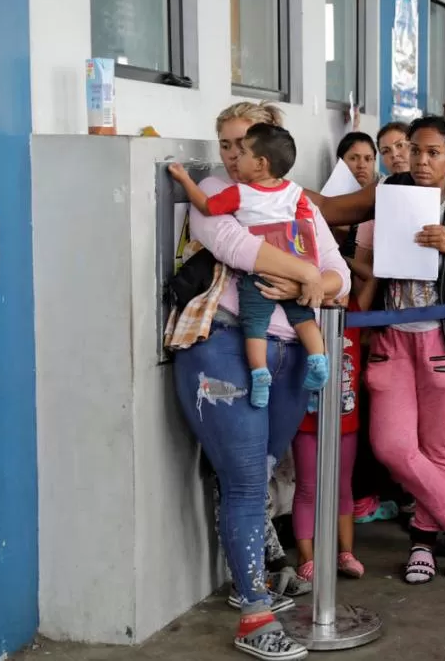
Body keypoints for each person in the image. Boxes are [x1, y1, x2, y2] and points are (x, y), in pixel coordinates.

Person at [172, 101, 351, 661]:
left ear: (268, 145)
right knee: (248, 480)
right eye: (223, 142)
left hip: (293, 352)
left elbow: (340, 273)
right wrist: (309, 281)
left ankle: (251, 581)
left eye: (241, 142)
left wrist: (313, 285)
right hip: (224, 345)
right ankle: (253, 612)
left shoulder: (296, 198)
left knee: (262, 471)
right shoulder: (215, 193)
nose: (230, 154)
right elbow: (241, 250)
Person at [310, 117, 445, 583]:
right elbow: (331, 210)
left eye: (433, 152)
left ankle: (422, 541)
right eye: (415, 150)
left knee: (436, 448)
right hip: (392, 338)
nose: (420, 161)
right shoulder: (390, 190)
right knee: (392, 445)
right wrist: (272, 189)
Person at [169, 124, 329, 409]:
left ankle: (259, 375)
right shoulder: (295, 192)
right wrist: (305, 270)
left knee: (254, 325)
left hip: (259, 276)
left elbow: (207, 206)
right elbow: (307, 227)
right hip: (296, 270)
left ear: (260, 163)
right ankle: (318, 359)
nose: (234, 158)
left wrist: (184, 179)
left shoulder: (241, 194)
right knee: (305, 319)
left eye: (242, 151)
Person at [292, 292, 365, 582]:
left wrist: (348, 261)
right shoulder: (301, 312)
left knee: (343, 488)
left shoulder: (356, 309)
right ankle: (305, 558)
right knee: (308, 489)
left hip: (346, 421)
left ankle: (345, 553)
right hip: (307, 422)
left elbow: (370, 278)